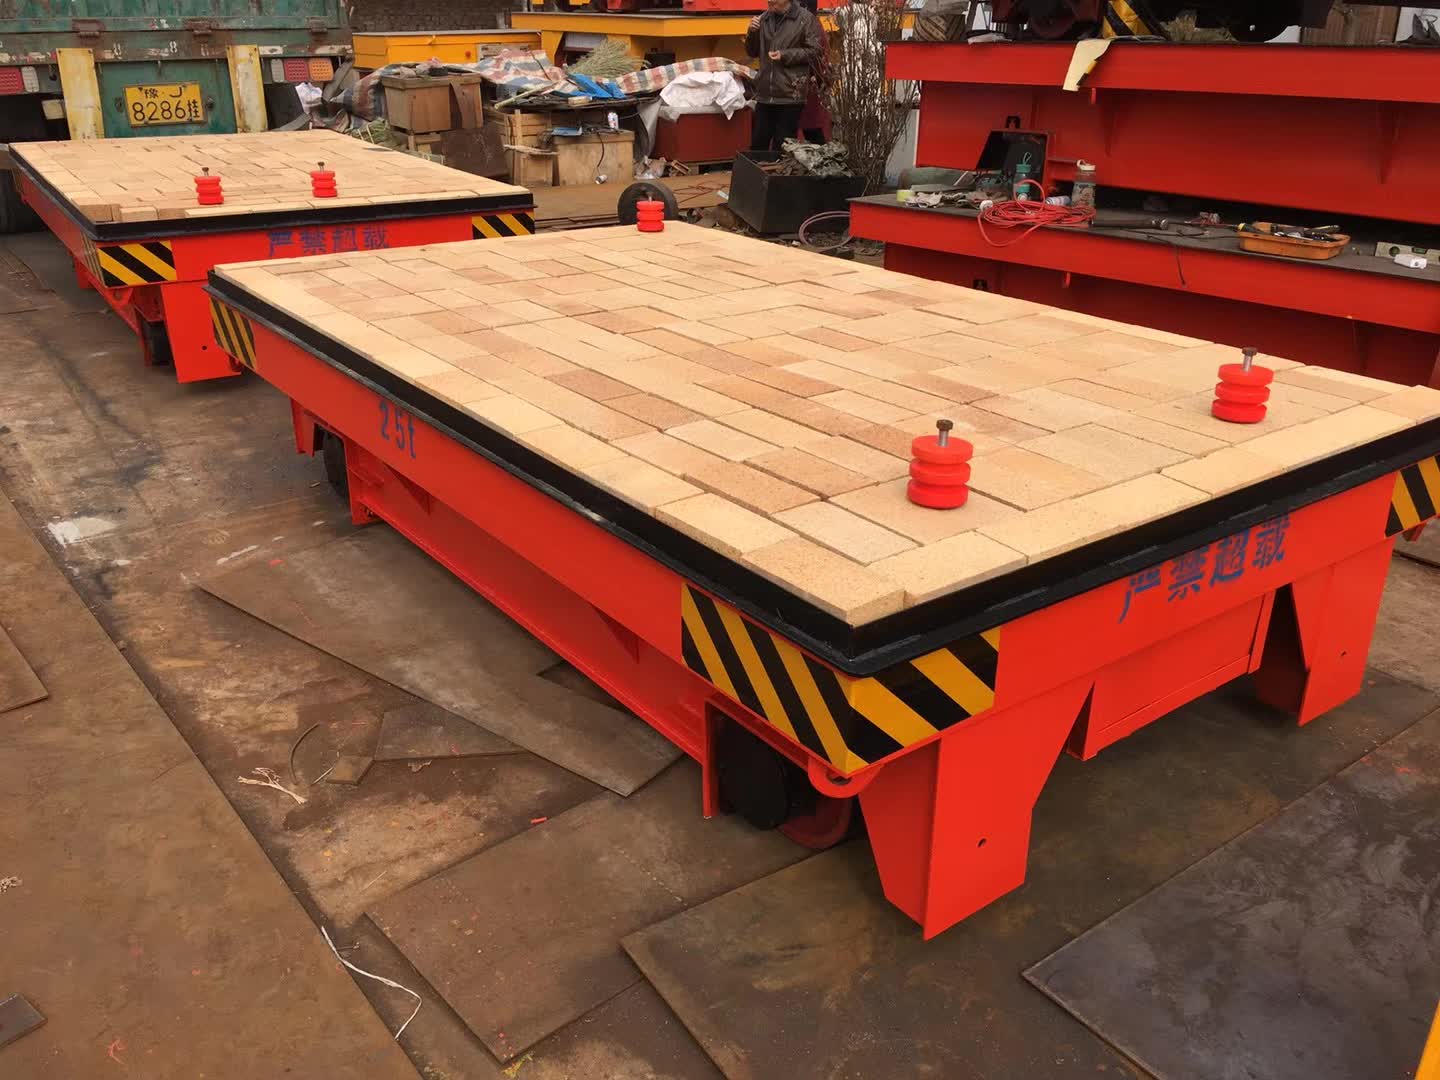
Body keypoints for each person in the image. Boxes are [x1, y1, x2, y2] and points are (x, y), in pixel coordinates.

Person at [745, 0, 823, 153]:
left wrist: (785, 55)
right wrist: (752, 32)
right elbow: (752, 52)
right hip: (765, 95)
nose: (770, 1)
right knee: (757, 146)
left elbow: (815, 52)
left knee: (782, 148)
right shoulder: (764, 18)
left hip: (790, 95)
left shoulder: (805, 19)